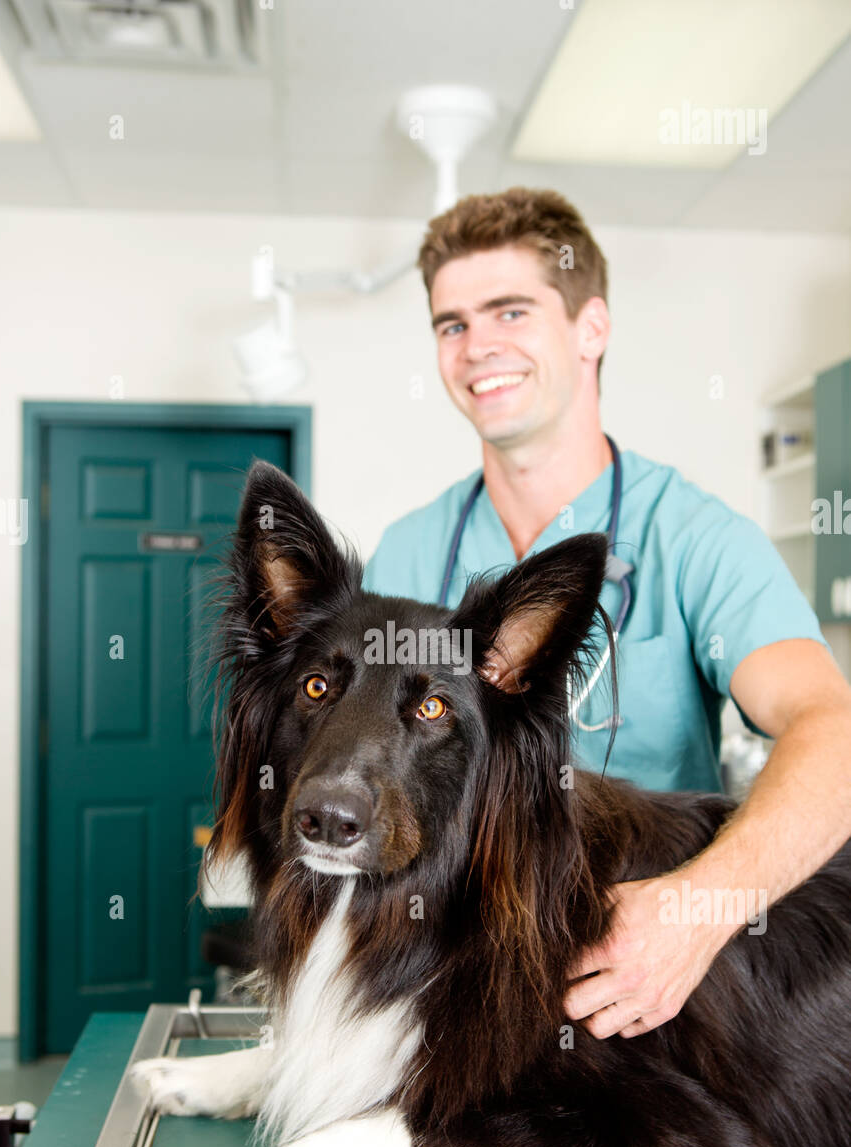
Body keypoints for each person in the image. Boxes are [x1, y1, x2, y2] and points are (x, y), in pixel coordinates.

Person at [362, 186, 851, 1040]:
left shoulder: (693, 537)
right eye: (452, 324)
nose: (479, 347)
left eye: (511, 311)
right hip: (451, 982)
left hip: (642, 982)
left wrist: (696, 911)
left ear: (592, 327)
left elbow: (834, 734)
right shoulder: (410, 554)